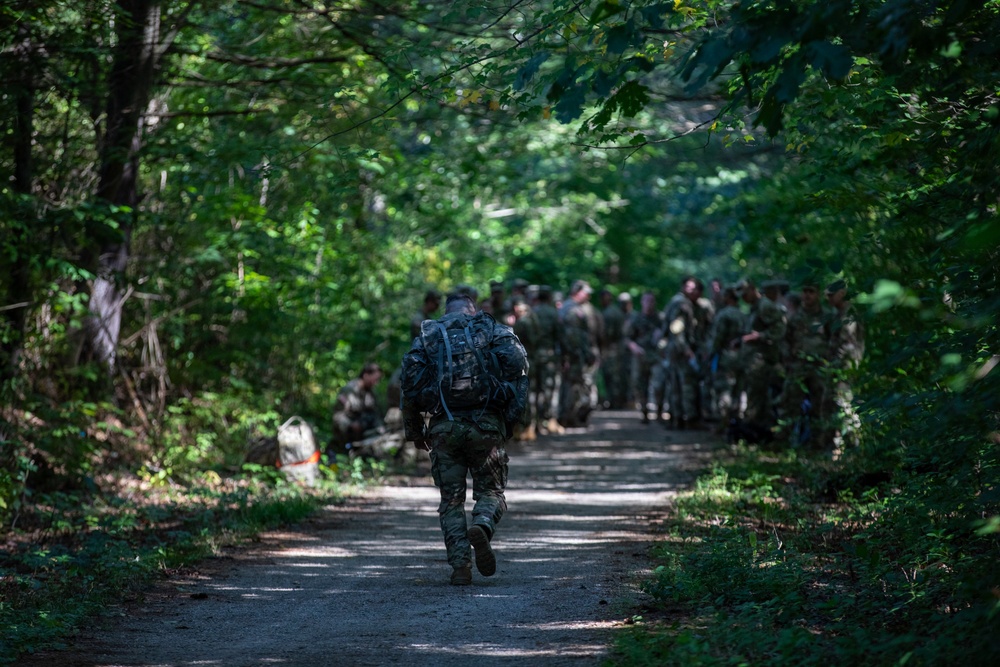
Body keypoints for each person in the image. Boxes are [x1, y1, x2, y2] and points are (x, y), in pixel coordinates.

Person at [400, 291, 529, 586]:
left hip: (444, 429)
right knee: (492, 492)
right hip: (486, 427)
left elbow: (408, 386)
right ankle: (482, 523)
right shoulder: (491, 329)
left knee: (451, 501)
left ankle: (460, 566)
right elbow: (519, 374)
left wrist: (415, 432)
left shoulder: (429, 334)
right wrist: (511, 423)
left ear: (447, 310)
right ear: (472, 308)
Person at [780, 278, 832, 447]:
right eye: (805, 291)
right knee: (790, 404)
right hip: (798, 366)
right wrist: (787, 361)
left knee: (820, 406)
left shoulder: (827, 317)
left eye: (811, 292)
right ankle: (785, 442)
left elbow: (834, 340)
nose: (807, 295)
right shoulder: (794, 317)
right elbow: (785, 341)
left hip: (819, 367)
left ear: (818, 294)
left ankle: (818, 443)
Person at [735, 278, 787, 438]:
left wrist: (761, 336)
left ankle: (754, 431)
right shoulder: (755, 307)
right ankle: (758, 432)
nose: (743, 298)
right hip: (754, 360)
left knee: (756, 397)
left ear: (752, 289)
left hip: (762, 360)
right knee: (758, 396)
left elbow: (780, 327)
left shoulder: (765, 306)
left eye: (745, 294)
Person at [826, 278, 864, 451]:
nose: (828, 299)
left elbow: (847, 345)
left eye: (831, 295)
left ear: (841, 294)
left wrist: (834, 365)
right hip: (839, 366)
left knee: (844, 403)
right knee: (837, 403)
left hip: (845, 367)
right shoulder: (838, 313)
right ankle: (842, 444)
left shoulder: (848, 314)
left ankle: (854, 444)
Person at [557, 279, 603, 428]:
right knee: (575, 386)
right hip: (575, 355)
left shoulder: (582, 308)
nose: (588, 296)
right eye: (585, 292)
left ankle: (574, 416)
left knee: (581, 386)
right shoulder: (570, 309)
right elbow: (572, 336)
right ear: (577, 292)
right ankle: (570, 417)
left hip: (580, 354)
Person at [663, 276, 702, 429]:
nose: (693, 291)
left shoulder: (678, 302)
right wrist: (686, 350)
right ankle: (686, 418)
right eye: (689, 288)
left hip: (675, 349)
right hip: (679, 351)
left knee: (675, 384)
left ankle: (677, 417)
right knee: (684, 385)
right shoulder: (682, 304)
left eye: (694, 288)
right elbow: (676, 329)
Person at [708, 287, 745, 431]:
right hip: (741, 357)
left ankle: (724, 424)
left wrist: (711, 354)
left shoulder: (724, 315)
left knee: (724, 390)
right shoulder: (743, 314)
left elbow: (718, 338)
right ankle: (736, 423)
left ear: (729, 297)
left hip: (725, 357)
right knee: (738, 391)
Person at [624, 291, 663, 423]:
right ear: (642, 302)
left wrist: (661, 339)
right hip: (640, 356)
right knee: (640, 385)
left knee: (659, 384)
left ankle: (659, 411)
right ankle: (644, 411)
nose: (648, 304)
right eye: (646, 301)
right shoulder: (635, 318)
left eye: (651, 301)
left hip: (656, 356)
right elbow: (627, 338)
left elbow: (669, 335)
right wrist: (634, 347)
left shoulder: (660, 318)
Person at [331, 363, 385, 453]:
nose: (376, 383)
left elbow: (376, 414)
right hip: (348, 431)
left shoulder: (371, 393)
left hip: (364, 430)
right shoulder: (349, 390)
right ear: (366, 375)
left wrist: (380, 428)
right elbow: (337, 416)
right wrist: (350, 425)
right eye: (375, 379)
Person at [598, 288, 627, 409]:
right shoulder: (616, 311)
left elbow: (607, 334)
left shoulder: (608, 313)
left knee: (611, 376)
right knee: (617, 376)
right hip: (618, 347)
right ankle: (617, 401)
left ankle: (614, 402)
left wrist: (602, 348)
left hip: (612, 348)